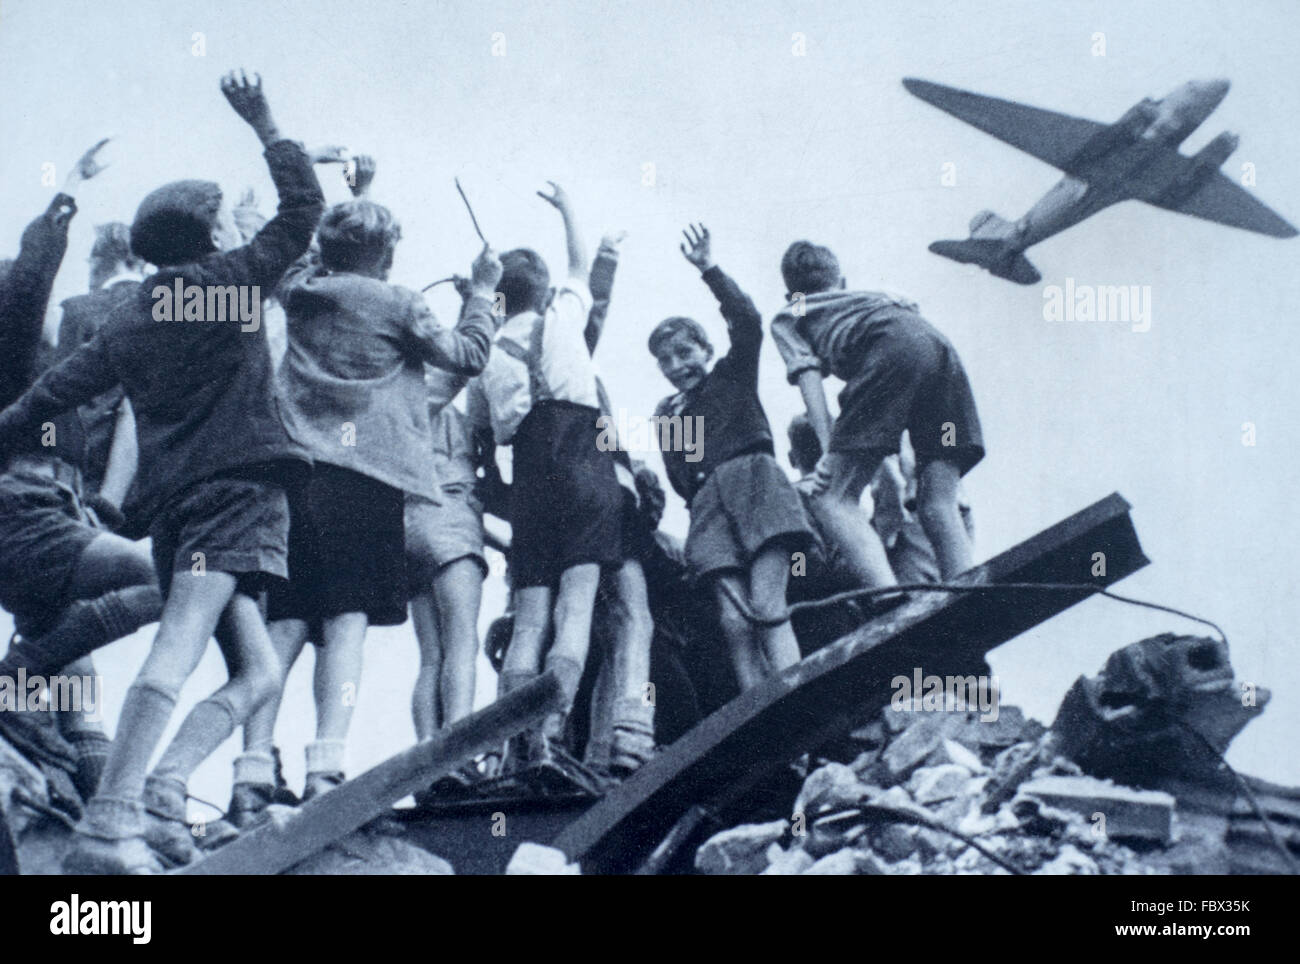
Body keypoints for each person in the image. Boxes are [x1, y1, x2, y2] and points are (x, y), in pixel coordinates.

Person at [0, 71, 326, 873]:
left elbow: (40, 398)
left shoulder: (128, 319)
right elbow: (304, 213)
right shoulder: (229, 282)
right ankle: (111, 820)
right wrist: (265, 118)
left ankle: (164, 788)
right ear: (211, 233)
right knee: (177, 647)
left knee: (256, 672)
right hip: (242, 493)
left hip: (179, 506)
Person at [241, 170, 501, 811]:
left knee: (288, 619)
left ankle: (249, 771)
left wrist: (355, 195)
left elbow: (305, 246)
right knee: (347, 618)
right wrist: (485, 295)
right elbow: (467, 355)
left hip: (296, 476)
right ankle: (325, 766)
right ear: (387, 255)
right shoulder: (400, 303)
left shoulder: (300, 290)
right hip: (366, 483)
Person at [466, 182, 623, 770]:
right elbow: (582, 266)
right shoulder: (563, 313)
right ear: (543, 289)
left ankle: (514, 743)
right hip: (584, 462)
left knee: (529, 619)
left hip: (529, 474)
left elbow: (478, 437)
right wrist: (567, 206)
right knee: (575, 611)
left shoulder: (484, 353)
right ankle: (552, 737)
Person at [648, 224, 813, 691]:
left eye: (685, 352)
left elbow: (746, 320)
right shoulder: (668, 414)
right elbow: (678, 475)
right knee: (733, 621)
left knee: (766, 604)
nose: (678, 364)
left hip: (755, 483)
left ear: (707, 350)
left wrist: (708, 269)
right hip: (705, 505)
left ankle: (795, 699)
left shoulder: (731, 374)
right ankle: (761, 719)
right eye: (667, 360)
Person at [771, 240, 983, 586]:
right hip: (938, 349)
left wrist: (829, 451)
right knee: (937, 498)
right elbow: (911, 315)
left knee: (832, 498)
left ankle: (888, 597)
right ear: (841, 281)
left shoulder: (791, 314)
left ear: (789, 294)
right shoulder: (875, 295)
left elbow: (810, 382)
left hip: (887, 350)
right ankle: (966, 587)